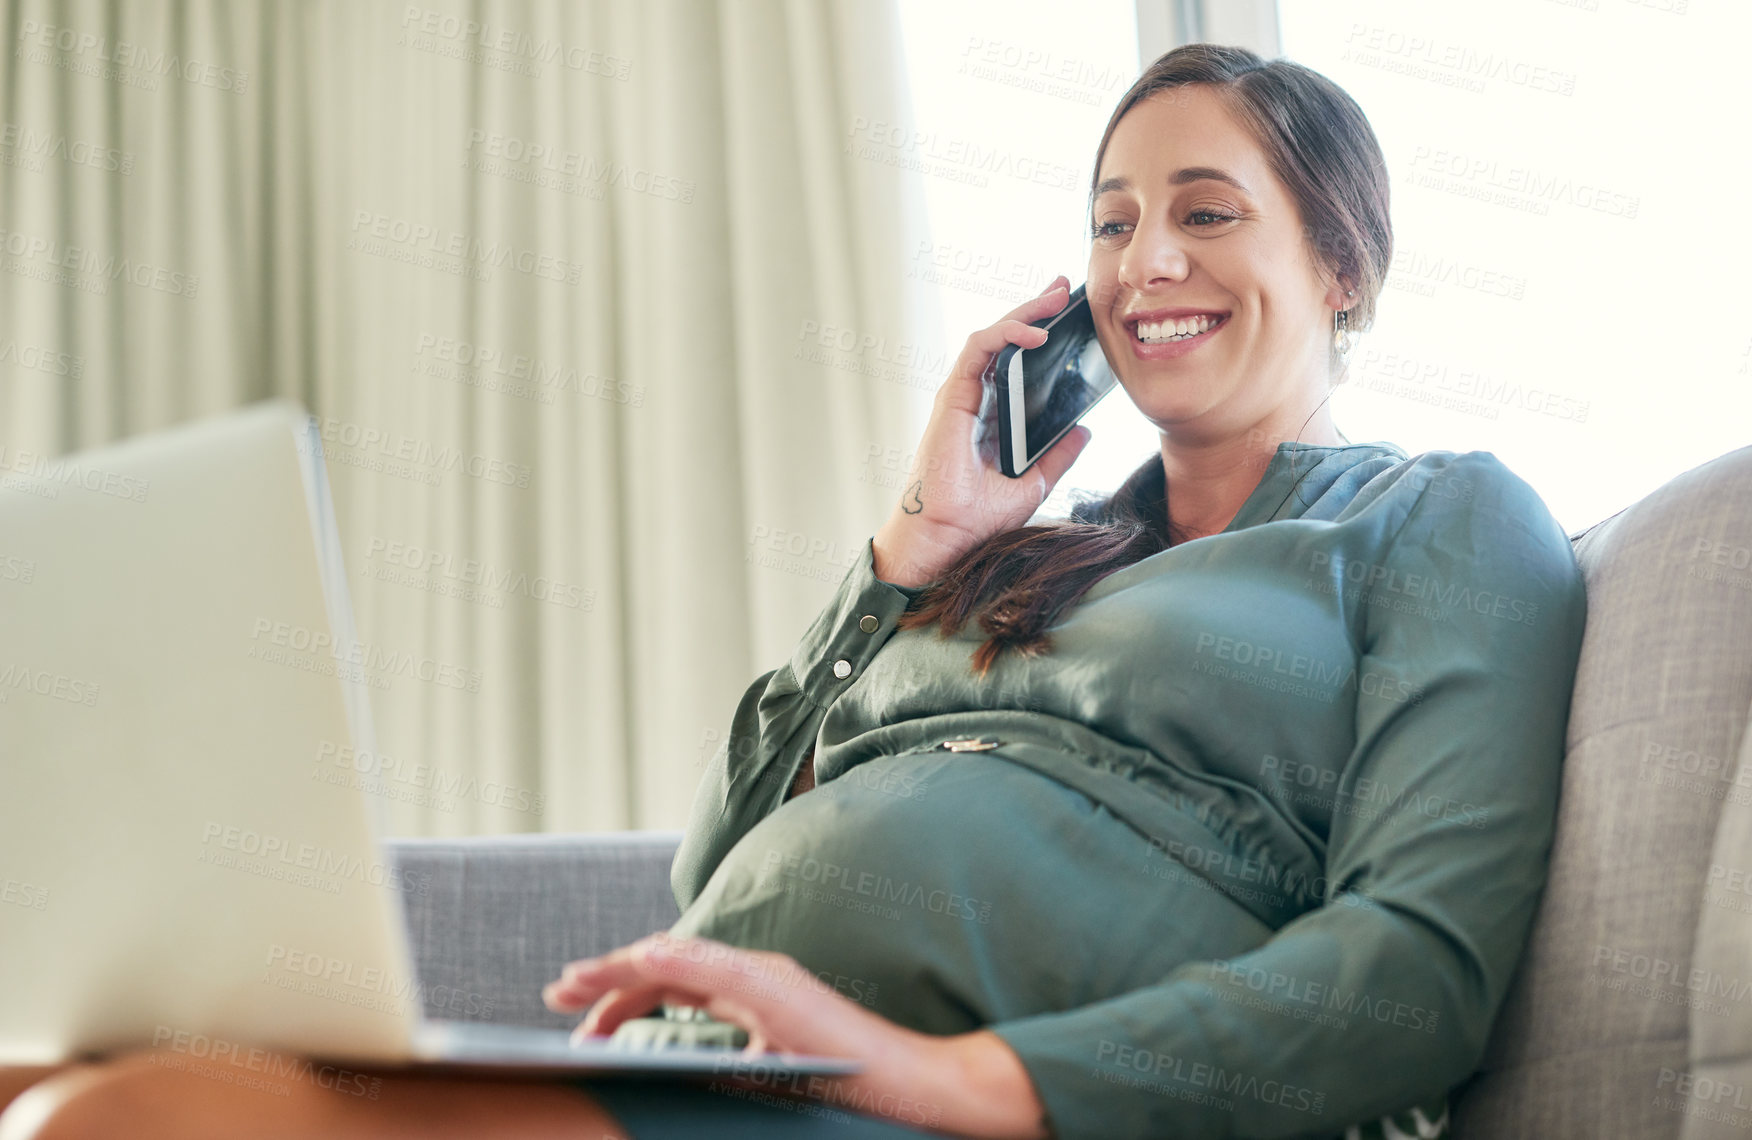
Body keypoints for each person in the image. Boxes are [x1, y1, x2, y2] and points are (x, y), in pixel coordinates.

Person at [0, 42, 1586, 1140]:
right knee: (63, 1083)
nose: (1144, 264)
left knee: (128, 1120)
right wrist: (918, 542)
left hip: (965, 1106)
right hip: (739, 1069)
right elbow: (720, 855)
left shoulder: (1441, 521)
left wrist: (955, 1077)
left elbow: (1416, 969)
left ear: (1343, 264)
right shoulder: (1023, 553)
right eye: (1111, 225)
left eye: (1206, 214)